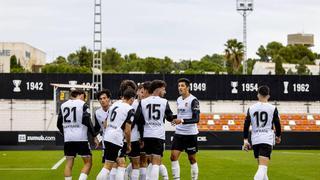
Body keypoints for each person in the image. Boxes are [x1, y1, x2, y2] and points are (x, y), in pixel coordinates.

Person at [136, 80, 175, 180]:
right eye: (163, 89)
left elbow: (138, 120)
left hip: (147, 135)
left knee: (149, 162)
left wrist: (141, 137)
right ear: (158, 89)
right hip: (158, 135)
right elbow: (170, 117)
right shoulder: (164, 101)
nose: (165, 92)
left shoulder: (143, 102)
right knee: (156, 163)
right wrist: (178, 118)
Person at [57, 89, 98, 180]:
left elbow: (59, 124)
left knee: (68, 164)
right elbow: (87, 120)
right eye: (84, 97)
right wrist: (94, 135)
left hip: (68, 139)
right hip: (81, 138)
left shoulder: (63, 105)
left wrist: (66, 133)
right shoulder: (82, 104)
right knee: (88, 163)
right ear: (80, 95)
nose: (84, 99)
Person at [242, 85, 282, 180]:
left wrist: (245, 140)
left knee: (263, 169)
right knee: (262, 168)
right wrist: (278, 136)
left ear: (258, 95)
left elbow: (246, 124)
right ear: (268, 96)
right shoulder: (272, 108)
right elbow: (277, 123)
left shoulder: (251, 108)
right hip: (266, 139)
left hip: (255, 139)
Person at [96, 88, 136, 180]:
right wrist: (129, 144)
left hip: (107, 136)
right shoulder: (130, 109)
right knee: (107, 166)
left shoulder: (114, 105)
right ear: (132, 99)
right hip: (115, 139)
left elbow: (105, 124)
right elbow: (127, 130)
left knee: (121, 163)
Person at [170, 78, 200, 180]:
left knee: (191, 159)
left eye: (182, 86)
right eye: (179, 86)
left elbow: (196, 119)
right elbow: (179, 115)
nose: (180, 88)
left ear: (188, 87)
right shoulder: (178, 99)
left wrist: (181, 120)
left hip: (190, 134)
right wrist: (171, 117)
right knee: (173, 157)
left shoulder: (193, 100)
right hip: (179, 133)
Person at [93, 89, 112, 162]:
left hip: (117, 140)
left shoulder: (114, 109)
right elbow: (97, 128)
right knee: (107, 164)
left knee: (119, 164)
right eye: (100, 99)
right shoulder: (97, 113)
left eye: (104, 98)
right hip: (106, 141)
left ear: (108, 99)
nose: (102, 100)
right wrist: (96, 138)